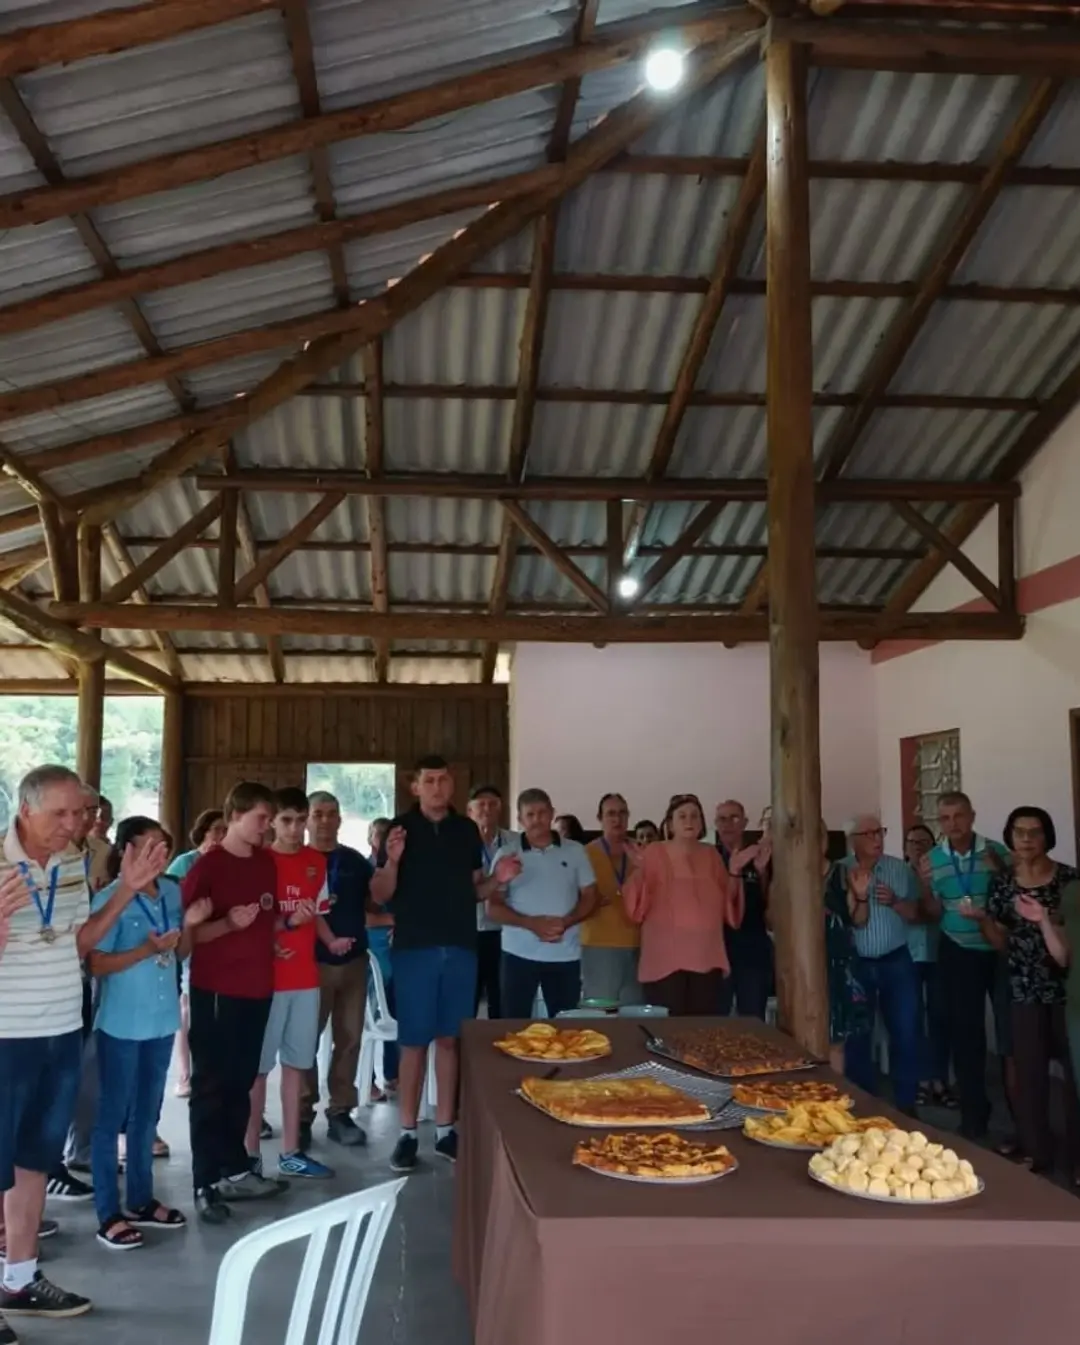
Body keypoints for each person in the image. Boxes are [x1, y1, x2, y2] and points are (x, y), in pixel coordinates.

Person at [0, 765, 165, 1331]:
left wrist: (125, 891)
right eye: (60, 815)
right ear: (25, 809)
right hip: (5, 1036)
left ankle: (18, 1282)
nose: (74, 826)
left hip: (61, 1031)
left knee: (33, 1164)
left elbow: (78, 944)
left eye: (81, 814)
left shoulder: (72, 862)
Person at [371, 756, 510, 1172]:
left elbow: (474, 891)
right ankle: (408, 1133)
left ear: (451, 786)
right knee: (414, 1042)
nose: (436, 787)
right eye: (428, 780)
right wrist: (393, 860)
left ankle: (447, 1129)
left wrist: (499, 878)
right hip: (415, 948)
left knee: (450, 1039)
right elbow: (379, 893)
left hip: (461, 947)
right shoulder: (399, 829)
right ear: (415, 787)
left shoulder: (466, 830)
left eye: (443, 780)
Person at [88, 817, 207, 1249]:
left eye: (164, 847)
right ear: (125, 851)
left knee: (147, 1115)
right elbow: (95, 963)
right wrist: (145, 950)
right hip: (121, 1023)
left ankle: (140, 1199)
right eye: (148, 847)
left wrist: (190, 926)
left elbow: (181, 953)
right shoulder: (109, 900)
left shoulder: (172, 893)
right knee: (110, 1118)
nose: (159, 856)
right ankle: (108, 1212)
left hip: (160, 1020)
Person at [181, 781, 286, 1225]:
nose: (268, 828)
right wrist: (226, 924)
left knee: (242, 1080)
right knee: (211, 1086)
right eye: (262, 819)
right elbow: (183, 940)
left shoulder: (265, 863)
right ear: (236, 816)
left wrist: (274, 936)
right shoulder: (207, 868)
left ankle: (235, 1167)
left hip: (258, 987)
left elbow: (266, 916)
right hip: (218, 990)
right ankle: (205, 1180)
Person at [246, 788, 344, 1180]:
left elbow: (315, 912)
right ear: (272, 822)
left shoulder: (315, 862)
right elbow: (250, 920)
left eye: (300, 820)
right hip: (267, 982)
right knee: (258, 1070)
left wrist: (330, 939)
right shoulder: (259, 862)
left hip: (306, 979)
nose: (295, 828)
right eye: (286, 820)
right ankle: (250, 1152)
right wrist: (275, 938)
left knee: (298, 1066)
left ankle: (291, 1151)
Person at [981, 807, 1080, 1179]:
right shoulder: (1003, 882)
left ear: (1047, 837)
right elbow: (998, 940)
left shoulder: (1069, 879)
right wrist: (985, 922)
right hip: (1022, 986)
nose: (1026, 839)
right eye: (1019, 832)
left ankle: (1075, 1157)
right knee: (1029, 1073)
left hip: (1067, 989)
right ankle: (1037, 1152)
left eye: (1034, 832)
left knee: (1074, 1076)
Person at [920, 791, 1014, 1143]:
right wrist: (925, 886)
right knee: (966, 1036)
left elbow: (1015, 896)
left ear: (972, 816)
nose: (952, 824)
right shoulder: (933, 860)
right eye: (945, 818)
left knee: (1010, 1036)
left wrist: (1002, 871)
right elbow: (931, 913)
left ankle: (1022, 1122)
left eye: (959, 816)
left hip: (998, 949)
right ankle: (974, 1117)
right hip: (957, 951)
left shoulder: (996, 852)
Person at [624, 794, 743, 1016]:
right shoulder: (653, 852)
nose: (689, 821)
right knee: (669, 1027)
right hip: (665, 957)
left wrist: (735, 872)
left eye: (694, 816)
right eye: (682, 816)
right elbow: (635, 908)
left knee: (701, 1028)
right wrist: (640, 870)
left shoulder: (711, 854)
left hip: (705, 955)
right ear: (670, 823)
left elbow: (729, 906)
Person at [299, 790, 372, 1147]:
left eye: (332, 813)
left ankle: (340, 1111)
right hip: (309, 964)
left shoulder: (356, 862)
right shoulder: (296, 861)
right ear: (307, 820)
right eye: (318, 814)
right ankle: (300, 1113)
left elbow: (373, 904)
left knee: (349, 1038)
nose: (325, 820)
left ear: (341, 819)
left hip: (354, 963)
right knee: (304, 1041)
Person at [488, 789, 598, 1019]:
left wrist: (566, 922)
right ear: (520, 819)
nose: (537, 820)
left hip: (565, 954)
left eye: (542, 813)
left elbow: (590, 896)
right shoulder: (507, 853)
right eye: (530, 815)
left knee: (567, 1028)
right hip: (518, 954)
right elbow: (493, 907)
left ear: (552, 814)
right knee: (512, 1025)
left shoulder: (576, 851)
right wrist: (530, 923)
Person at [838, 813, 921, 1116]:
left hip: (896, 961)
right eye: (869, 833)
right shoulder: (840, 871)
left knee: (906, 1030)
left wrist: (896, 902)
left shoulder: (899, 870)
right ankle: (864, 1103)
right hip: (856, 964)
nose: (877, 838)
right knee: (858, 1034)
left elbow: (918, 913)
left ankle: (906, 1104)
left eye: (880, 832)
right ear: (853, 841)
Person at [165, 809, 226, 1099]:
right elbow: (174, 905)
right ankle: (185, 1074)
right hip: (190, 941)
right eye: (216, 829)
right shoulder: (185, 863)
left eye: (225, 829)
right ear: (203, 831)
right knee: (187, 1008)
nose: (221, 835)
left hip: (221, 942)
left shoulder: (230, 863)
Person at [903, 822, 952, 1108]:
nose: (918, 846)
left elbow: (935, 913)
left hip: (938, 953)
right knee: (913, 1021)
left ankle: (939, 1079)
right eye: (912, 841)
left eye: (924, 841)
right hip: (907, 956)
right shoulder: (898, 874)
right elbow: (913, 914)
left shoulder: (943, 874)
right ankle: (920, 1080)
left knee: (940, 1019)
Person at [821, 820, 873, 1075]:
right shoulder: (788, 875)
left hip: (837, 966)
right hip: (800, 968)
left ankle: (833, 1106)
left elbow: (860, 920)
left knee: (836, 1041)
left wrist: (862, 896)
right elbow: (772, 921)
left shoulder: (842, 874)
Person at [714, 799, 773, 1019]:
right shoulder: (710, 858)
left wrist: (762, 874)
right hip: (719, 951)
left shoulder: (759, 855)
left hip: (753, 950)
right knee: (716, 1022)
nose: (728, 824)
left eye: (734, 818)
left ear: (745, 822)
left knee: (752, 1020)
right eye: (722, 819)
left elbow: (770, 905)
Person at [581, 793, 641, 1006]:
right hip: (599, 945)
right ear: (600, 818)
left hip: (639, 944)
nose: (617, 819)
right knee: (600, 1013)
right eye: (611, 814)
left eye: (622, 813)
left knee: (634, 1013)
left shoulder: (640, 852)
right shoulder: (585, 854)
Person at [467, 785, 512, 1019]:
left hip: (503, 931)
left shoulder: (513, 843)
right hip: (468, 930)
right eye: (481, 804)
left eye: (493, 804)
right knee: (467, 998)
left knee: (501, 998)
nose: (487, 809)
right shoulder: (459, 843)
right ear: (469, 811)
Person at [363, 818, 397, 1100]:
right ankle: (368, 1079)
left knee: (399, 1009)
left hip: (399, 948)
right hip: (372, 950)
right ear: (370, 838)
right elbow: (360, 918)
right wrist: (392, 920)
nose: (382, 840)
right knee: (372, 1014)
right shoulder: (363, 869)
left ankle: (393, 1073)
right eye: (378, 835)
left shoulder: (402, 870)